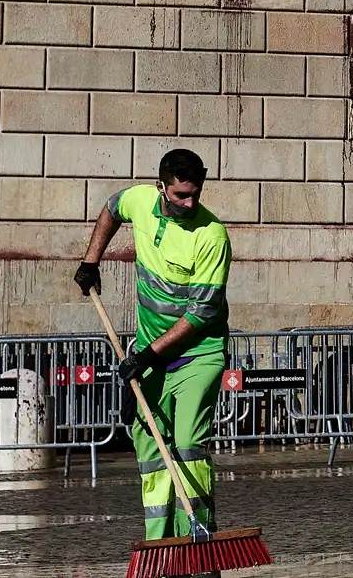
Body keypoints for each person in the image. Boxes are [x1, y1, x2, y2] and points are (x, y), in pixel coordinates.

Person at [73, 148, 231, 541]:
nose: (190, 202)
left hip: (198, 354)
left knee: (188, 441)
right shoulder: (141, 200)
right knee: (150, 445)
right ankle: (160, 542)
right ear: (161, 187)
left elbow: (199, 316)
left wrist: (143, 356)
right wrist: (92, 261)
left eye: (196, 193)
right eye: (181, 195)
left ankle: (197, 535)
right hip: (152, 353)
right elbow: (112, 208)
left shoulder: (212, 236)